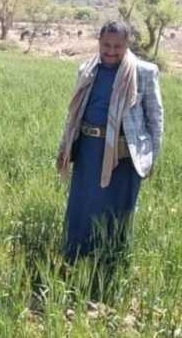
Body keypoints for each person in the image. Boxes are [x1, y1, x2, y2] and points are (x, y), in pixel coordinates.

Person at [56, 20, 164, 266]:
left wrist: (150, 158)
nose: (111, 51)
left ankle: (110, 262)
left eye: (117, 46)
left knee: (118, 209)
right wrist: (65, 146)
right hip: (89, 149)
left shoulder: (144, 72)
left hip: (124, 154)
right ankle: (75, 258)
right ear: (99, 42)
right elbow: (74, 113)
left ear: (127, 45)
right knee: (83, 205)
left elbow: (155, 118)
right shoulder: (87, 69)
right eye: (106, 45)